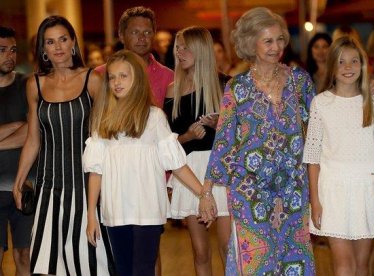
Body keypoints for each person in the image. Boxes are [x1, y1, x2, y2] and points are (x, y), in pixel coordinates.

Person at [84, 49, 217, 276]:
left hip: (147, 210)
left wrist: (203, 193)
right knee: (123, 271)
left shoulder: (154, 117)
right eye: (112, 77)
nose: (117, 82)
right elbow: (96, 172)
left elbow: (176, 164)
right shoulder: (102, 120)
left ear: (137, 78)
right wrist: (90, 216)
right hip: (115, 211)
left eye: (123, 76)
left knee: (144, 270)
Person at [204, 7, 315, 275]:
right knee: (257, 263)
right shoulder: (237, 87)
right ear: (251, 44)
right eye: (268, 40)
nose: (276, 47)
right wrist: (206, 192)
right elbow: (225, 140)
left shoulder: (300, 81)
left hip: (294, 189)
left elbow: (318, 130)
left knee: (294, 260)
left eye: (280, 39)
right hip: (249, 192)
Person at [11, 16, 115, 275]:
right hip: (49, 188)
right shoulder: (34, 84)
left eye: (63, 39)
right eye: (50, 41)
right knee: (47, 266)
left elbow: (106, 136)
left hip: (86, 187)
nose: (57, 46)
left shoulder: (93, 80)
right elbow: (34, 139)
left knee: (89, 265)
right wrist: (19, 181)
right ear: (42, 49)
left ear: (73, 43)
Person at [303, 36, 374, 275]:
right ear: (332, 66)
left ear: (362, 66)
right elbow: (312, 158)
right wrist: (315, 200)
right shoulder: (320, 103)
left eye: (354, 61)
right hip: (332, 192)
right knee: (343, 265)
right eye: (341, 62)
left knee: (362, 264)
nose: (348, 67)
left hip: (368, 191)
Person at [163, 26, 231, 275]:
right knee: (200, 251)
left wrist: (219, 124)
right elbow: (169, 145)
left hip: (222, 170)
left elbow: (241, 136)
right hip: (189, 173)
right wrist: (189, 136)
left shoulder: (225, 84)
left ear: (200, 49)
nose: (179, 52)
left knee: (227, 248)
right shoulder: (173, 89)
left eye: (185, 47)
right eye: (177, 47)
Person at [0, 26, 33, 276]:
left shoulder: (28, 85)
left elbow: (34, 131)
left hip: (25, 186)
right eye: (2, 50)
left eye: (12, 49)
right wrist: (17, 126)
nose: (9, 56)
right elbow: (23, 129)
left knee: (26, 256)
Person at [95, 6, 174, 108]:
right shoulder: (100, 74)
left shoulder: (169, 77)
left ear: (154, 35)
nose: (142, 38)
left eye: (147, 32)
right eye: (135, 32)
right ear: (121, 36)